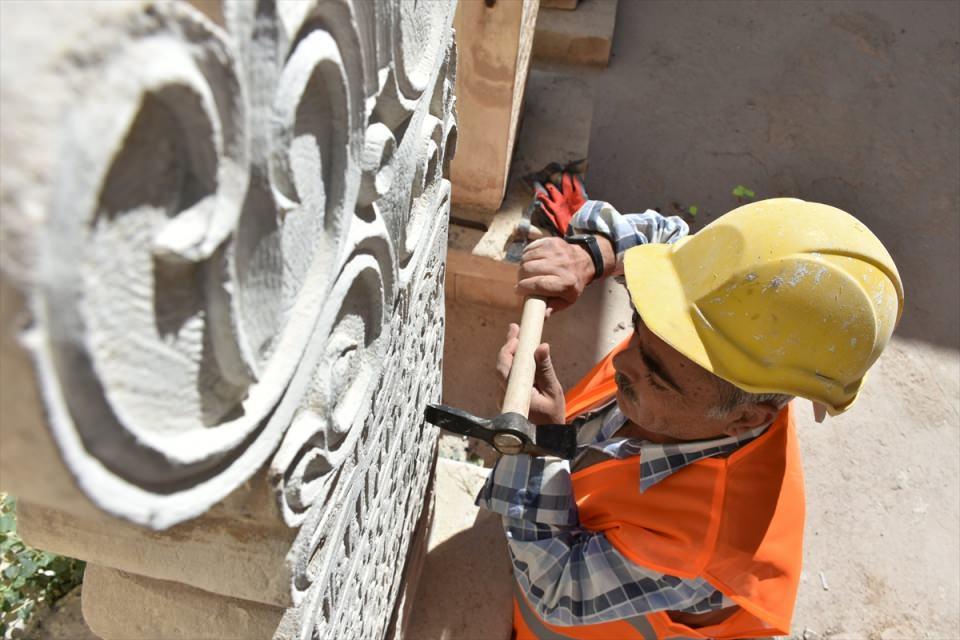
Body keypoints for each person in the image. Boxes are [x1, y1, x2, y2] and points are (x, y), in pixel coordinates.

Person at [475, 175, 903, 639]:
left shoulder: (703, 543)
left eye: (658, 374)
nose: (624, 360)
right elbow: (671, 243)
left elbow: (555, 589)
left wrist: (537, 447)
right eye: (640, 326)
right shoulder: (734, 347)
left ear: (747, 416)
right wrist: (592, 256)